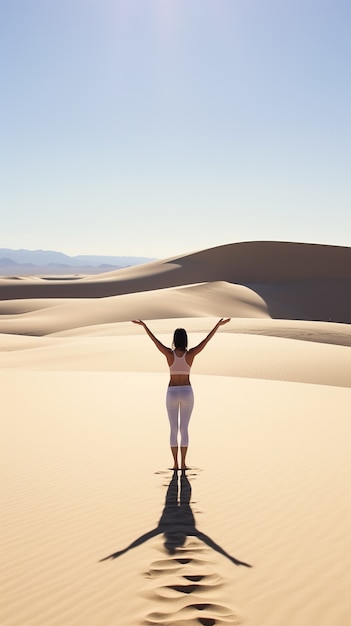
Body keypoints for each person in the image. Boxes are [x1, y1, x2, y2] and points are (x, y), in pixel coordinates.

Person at [132, 318, 231, 470]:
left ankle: (175, 464)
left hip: (172, 392)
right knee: (184, 428)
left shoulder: (169, 354)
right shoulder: (190, 354)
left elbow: (155, 341)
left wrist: (145, 326)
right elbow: (206, 341)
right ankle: (183, 464)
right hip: (187, 392)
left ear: (174, 340)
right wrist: (217, 325)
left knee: (173, 428)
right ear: (185, 340)